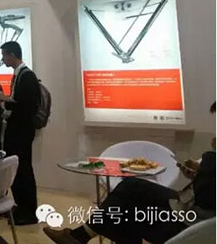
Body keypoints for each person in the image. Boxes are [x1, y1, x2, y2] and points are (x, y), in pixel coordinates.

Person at [44, 102, 216, 244]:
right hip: (186, 205)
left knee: (125, 211)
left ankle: (79, 236)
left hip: (195, 224)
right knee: (130, 186)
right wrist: (198, 173)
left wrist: (211, 159)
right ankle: (80, 236)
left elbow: (206, 196)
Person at [0, 41, 40, 225]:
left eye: (4, 55)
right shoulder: (19, 75)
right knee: (16, 169)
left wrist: (3, 103)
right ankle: (20, 206)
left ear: (12, 55)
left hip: (22, 131)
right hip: (16, 130)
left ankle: (29, 211)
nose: (2, 59)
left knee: (23, 169)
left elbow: (26, 106)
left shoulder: (27, 76)